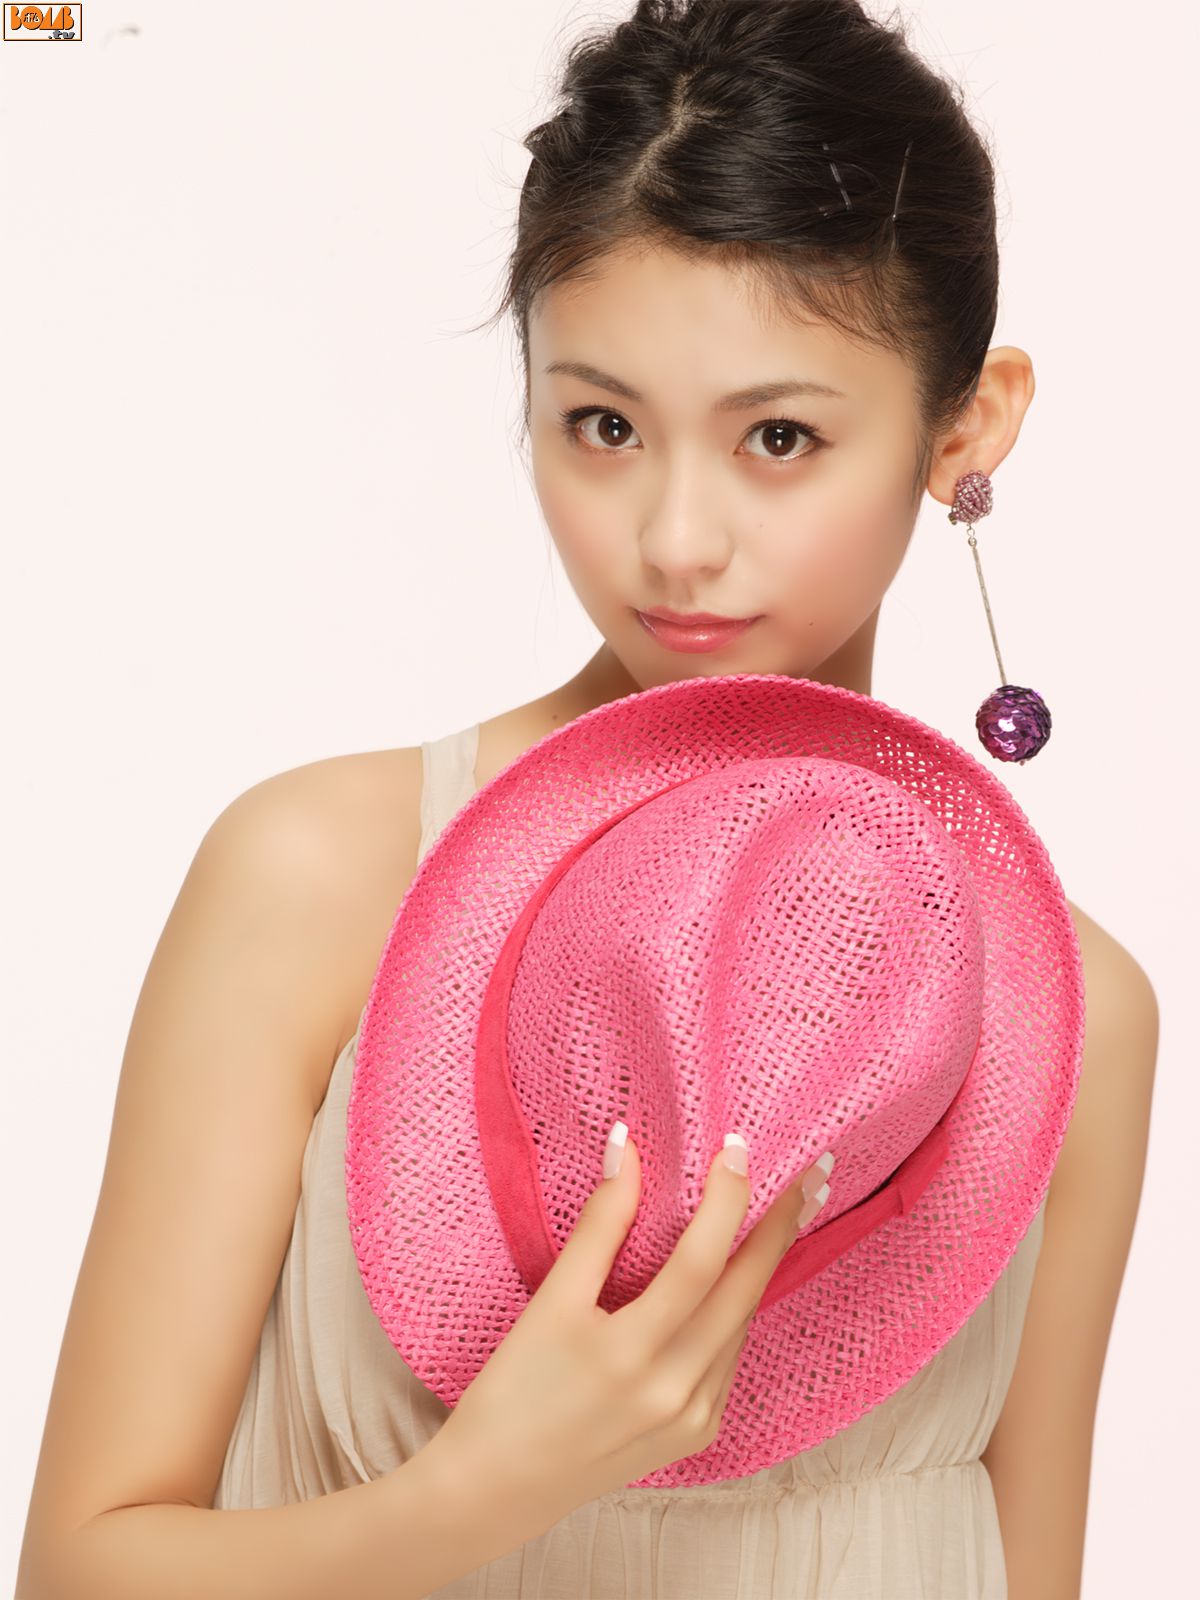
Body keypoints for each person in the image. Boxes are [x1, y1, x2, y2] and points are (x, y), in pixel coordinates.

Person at [16, 2, 1158, 1597]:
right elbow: (78, 1569)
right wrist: (478, 1495)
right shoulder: (324, 879)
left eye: (778, 437)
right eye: (603, 426)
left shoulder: (1069, 1013)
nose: (676, 540)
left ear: (966, 424)